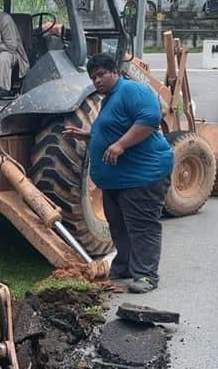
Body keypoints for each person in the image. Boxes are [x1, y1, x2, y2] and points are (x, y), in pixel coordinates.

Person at [64, 53, 173, 294]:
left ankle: (146, 276)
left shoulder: (132, 90)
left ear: (115, 72)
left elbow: (150, 118)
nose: (97, 81)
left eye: (102, 74)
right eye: (93, 77)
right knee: (119, 225)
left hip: (143, 176)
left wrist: (121, 145)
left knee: (142, 226)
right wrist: (86, 135)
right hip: (116, 181)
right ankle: (124, 267)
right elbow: (113, 130)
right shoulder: (109, 99)